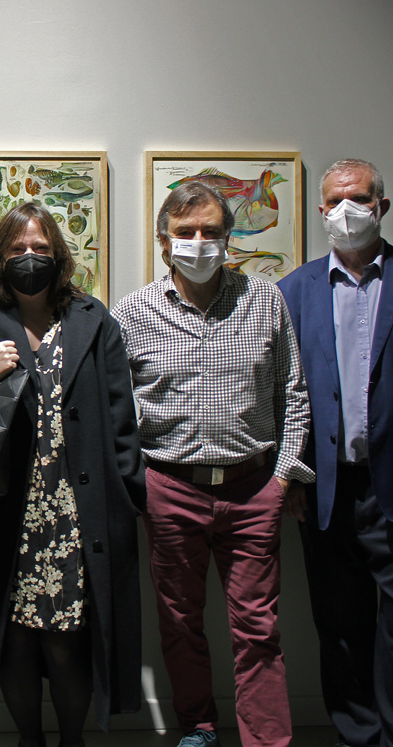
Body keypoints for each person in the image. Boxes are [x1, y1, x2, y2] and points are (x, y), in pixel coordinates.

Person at [0, 202, 144, 747]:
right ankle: (30, 741)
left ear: (59, 256)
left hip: (76, 514)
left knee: (67, 640)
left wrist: (128, 498)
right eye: (17, 248)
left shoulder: (92, 319)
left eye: (41, 248)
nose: (29, 257)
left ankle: (72, 741)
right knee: (15, 640)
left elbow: (122, 418)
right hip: (4, 515)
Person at [111, 181, 312, 747]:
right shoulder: (133, 312)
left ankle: (266, 740)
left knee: (258, 628)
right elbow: (115, 409)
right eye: (185, 232)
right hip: (168, 488)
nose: (198, 242)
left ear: (228, 238)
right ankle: (198, 727)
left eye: (211, 231)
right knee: (179, 621)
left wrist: (284, 476)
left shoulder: (265, 300)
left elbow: (293, 393)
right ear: (163, 241)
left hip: (253, 488)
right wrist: (132, 485)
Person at [278, 158, 393, 747]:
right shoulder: (295, 289)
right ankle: (357, 737)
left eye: (360, 198)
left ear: (381, 206)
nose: (347, 211)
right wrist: (292, 473)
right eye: (335, 201)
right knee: (340, 625)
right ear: (320, 211)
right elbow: (281, 390)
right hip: (326, 489)